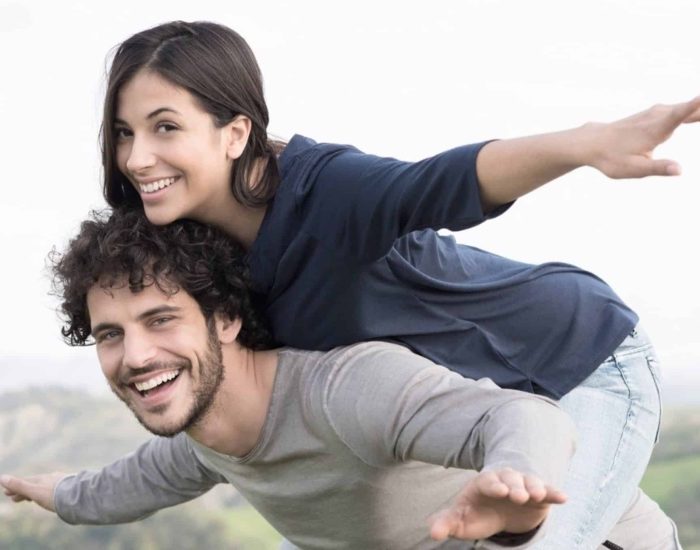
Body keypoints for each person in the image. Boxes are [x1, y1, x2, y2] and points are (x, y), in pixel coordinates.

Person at [99, 21, 696, 548]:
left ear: (234, 133)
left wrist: (582, 145)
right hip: (496, 403)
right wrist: (67, 493)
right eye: (125, 132)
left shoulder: (326, 192)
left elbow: (440, 182)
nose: (138, 157)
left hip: (583, 360)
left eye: (165, 127)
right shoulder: (196, 246)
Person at [2, 209, 578, 549]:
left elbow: (523, 415)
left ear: (225, 319)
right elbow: (117, 489)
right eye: (111, 334)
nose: (135, 355)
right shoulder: (205, 440)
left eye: (161, 320)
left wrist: (518, 479)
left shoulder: (343, 390)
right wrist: (40, 490)